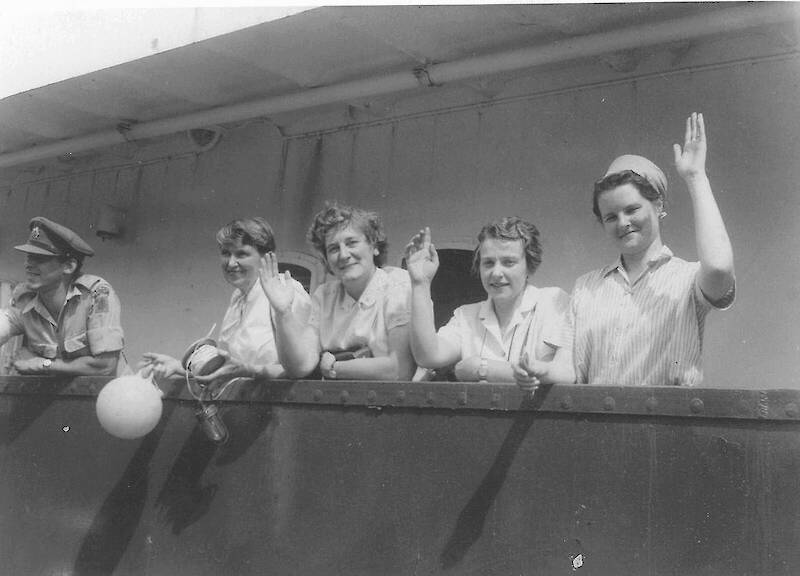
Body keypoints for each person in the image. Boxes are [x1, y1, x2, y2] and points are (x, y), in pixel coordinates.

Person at [567, 112, 735, 386]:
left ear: (658, 206)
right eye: (610, 216)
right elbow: (570, 374)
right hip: (595, 426)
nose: (623, 223)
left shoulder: (687, 279)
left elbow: (718, 267)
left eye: (632, 209)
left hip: (668, 425)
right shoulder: (585, 287)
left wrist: (695, 177)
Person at [141, 217, 310, 390]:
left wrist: (249, 371)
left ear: (266, 257)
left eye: (241, 254)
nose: (231, 263)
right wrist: (178, 366)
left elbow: (301, 369)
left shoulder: (287, 292)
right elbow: (231, 370)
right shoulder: (238, 298)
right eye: (226, 253)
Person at [405, 217, 573, 389]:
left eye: (509, 262)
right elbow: (429, 355)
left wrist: (481, 367)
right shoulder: (466, 315)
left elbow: (565, 373)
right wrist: (420, 284)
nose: (496, 272)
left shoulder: (553, 301)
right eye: (488, 263)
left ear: (529, 266)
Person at [260, 203, 416, 381]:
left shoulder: (398, 284)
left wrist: (335, 367)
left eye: (352, 243)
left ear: (374, 246)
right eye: (333, 248)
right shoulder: (324, 296)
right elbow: (300, 367)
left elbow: (399, 370)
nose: (343, 255)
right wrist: (283, 313)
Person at [0, 216, 128, 376]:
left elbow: (104, 366)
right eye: (28, 257)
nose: (28, 264)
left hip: (114, 395)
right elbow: (5, 323)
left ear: (68, 266)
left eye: (39, 258)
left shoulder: (96, 294)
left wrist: (41, 364)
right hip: (64, 398)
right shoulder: (25, 299)